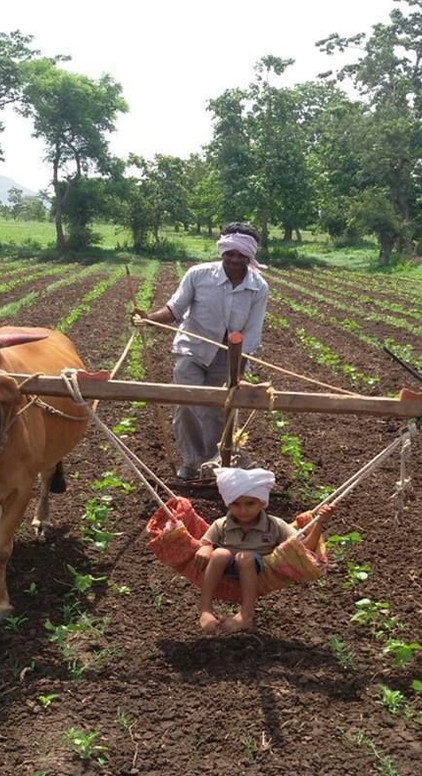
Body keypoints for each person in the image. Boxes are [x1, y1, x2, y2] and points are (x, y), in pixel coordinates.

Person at [136, 222, 269, 480]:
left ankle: (216, 461)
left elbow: (252, 331)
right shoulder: (198, 275)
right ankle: (191, 462)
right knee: (187, 403)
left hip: (228, 356)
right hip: (192, 348)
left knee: (220, 408)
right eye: (229, 253)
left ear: (249, 256)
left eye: (241, 254)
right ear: (222, 251)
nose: (234, 259)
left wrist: (238, 372)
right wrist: (149, 318)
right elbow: (175, 309)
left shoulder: (258, 286)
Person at [195, 467, 335, 636]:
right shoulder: (221, 524)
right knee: (219, 554)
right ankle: (205, 608)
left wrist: (319, 523)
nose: (243, 510)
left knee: (245, 557)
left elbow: (303, 549)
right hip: (226, 567)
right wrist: (206, 547)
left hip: (260, 570)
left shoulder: (274, 525)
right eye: (236, 504)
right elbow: (206, 542)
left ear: (262, 502)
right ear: (228, 503)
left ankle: (246, 615)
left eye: (250, 504)